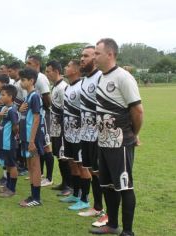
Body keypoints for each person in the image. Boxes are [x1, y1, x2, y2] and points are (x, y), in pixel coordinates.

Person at [89, 38, 143, 236]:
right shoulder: (102, 77)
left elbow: (137, 110)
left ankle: (127, 231)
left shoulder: (123, 77)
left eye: (97, 53)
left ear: (110, 54)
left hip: (120, 142)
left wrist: (133, 134)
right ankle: (112, 225)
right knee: (107, 185)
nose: (94, 57)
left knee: (124, 186)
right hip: (103, 141)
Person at [77, 46, 108, 227]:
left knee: (100, 173)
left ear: (95, 59)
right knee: (93, 172)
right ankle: (97, 207)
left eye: (86, 56)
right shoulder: (84, 80)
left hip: (98, 135)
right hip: (85, 134)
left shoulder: (100, 77)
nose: (82, 59)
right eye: (81, 56)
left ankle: (105, 211)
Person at [59, 60, 91, 212]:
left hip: (79, 135)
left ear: (76, 70)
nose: (65, 67)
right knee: (72, 163)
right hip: (68, 133)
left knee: (82, 165)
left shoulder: (82, 86)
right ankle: (76, 194)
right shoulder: (68, 87)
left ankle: (85, 199)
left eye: (68, 65)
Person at [19, 68, 45, 207]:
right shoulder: (27, 96)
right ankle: (32, 194)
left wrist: (32, 140)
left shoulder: (35, 96)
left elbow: (36, 119)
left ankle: (37, 198)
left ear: (31, 81)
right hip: (26, 137)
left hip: (32, 139)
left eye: (23, 80)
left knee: (35, 166)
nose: (21, 82)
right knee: (30, 165)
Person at [26, 55, 54, 187]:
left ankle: (49, 177)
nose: (27, 66)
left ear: (37, 65)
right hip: (37, 116)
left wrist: (45, 112)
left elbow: (47, 99)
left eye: (29, 63)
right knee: (40, 145)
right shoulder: (33, 79)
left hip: (43, 116)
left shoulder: (41, 78)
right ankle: (40, 173)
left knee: (46, 146)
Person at [45, 60, 71, 196]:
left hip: (62, 130)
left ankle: (69, 185)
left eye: (48, 71)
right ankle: (64, 182)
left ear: (56, 71)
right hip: (55, 128)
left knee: (64, 157)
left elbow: (67, 110)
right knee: (59, 156)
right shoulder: (55, 86)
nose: (47, 74)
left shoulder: (63, 87)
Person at [0, 84, 19, 197]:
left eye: (3, 95)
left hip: (9, 142)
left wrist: (13, 136)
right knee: (7, 164)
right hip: (3, 141)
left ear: (10, 96)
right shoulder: (5, 108)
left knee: (12, 165)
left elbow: (15, 126)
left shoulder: (12, 110)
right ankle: (8, 186)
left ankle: (12, 189)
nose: (1, 97)